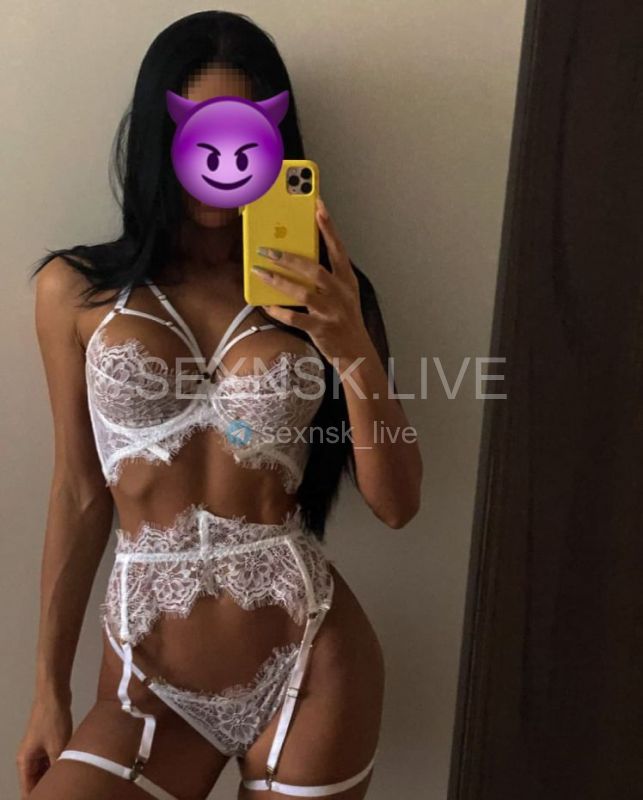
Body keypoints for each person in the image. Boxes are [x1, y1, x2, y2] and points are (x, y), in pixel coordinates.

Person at [17, 10, 422, 800]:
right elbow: (78, 491)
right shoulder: (75, 292)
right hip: (145, 685)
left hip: (312, 662)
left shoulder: (329, 295)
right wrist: (48, 690)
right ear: (158, 136)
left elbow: (397, 503)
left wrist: (349, 343)